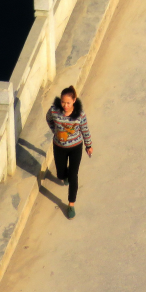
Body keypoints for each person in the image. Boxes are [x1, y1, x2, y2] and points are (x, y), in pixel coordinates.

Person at [45, 86, 93, 219]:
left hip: (75, 147)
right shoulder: (54, 111)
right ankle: (64, 175)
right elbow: (48, 118)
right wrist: (55, 131)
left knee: (73, 175)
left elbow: (85, 130)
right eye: (63, 102)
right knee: (61, 173)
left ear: (74, 101)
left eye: (68, 103)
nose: (65, 105)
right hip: (59, 146)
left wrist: (88, 145)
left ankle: (71, 204)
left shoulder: (80, 114)